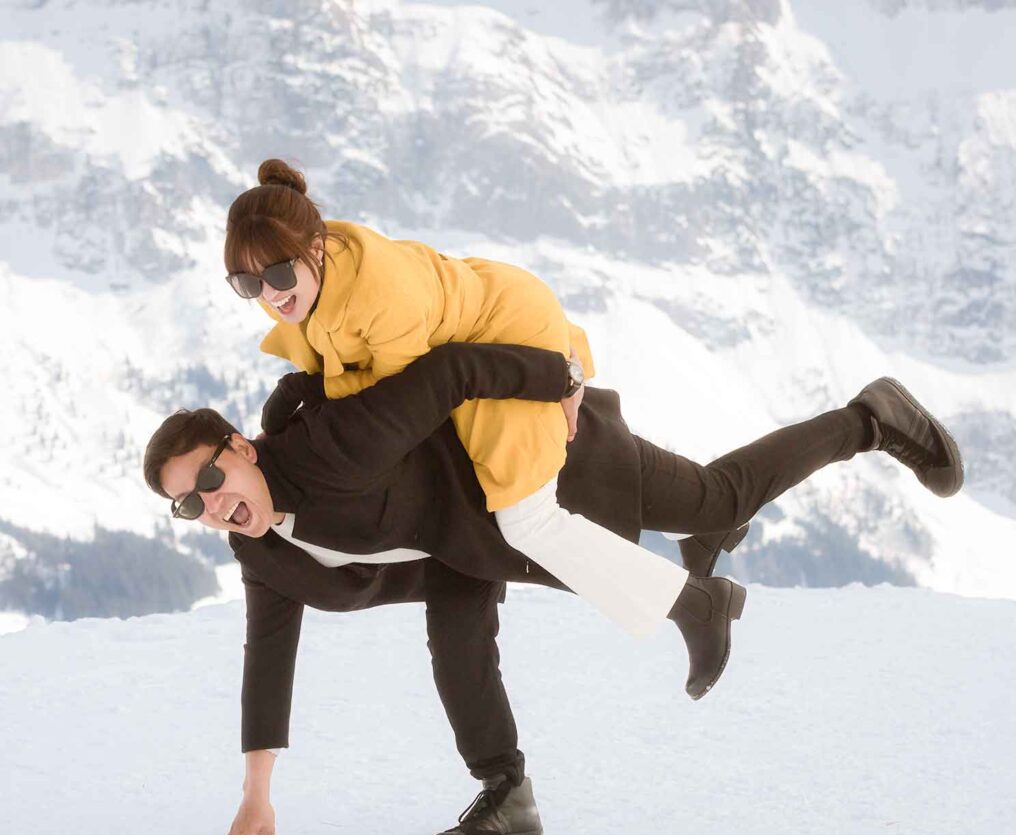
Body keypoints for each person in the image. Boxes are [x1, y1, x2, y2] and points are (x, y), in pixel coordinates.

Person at [143, 343, 963, 835]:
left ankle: (870, 417)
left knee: (715, 495)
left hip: (540, 464)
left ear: (240, 448)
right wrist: (257, 790)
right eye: (190, 504)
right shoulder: (260, 550)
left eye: (210, 478)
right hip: (465, 546)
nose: (210, 503)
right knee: (457, 648)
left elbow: (447, 368)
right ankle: (510, 795)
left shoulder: (329, 444)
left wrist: (557, 377)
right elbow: (268, 657)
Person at [222, 158, 712, 648]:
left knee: (527, 521)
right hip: (474, 334)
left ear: (315, 246)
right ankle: (704, 520)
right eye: (247, 284)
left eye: (279, 273)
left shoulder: (379, 297)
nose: (269, 295)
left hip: (503, 332)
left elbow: (398, 404)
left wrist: (559, 373)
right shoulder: (320, 275)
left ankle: (697, 605)